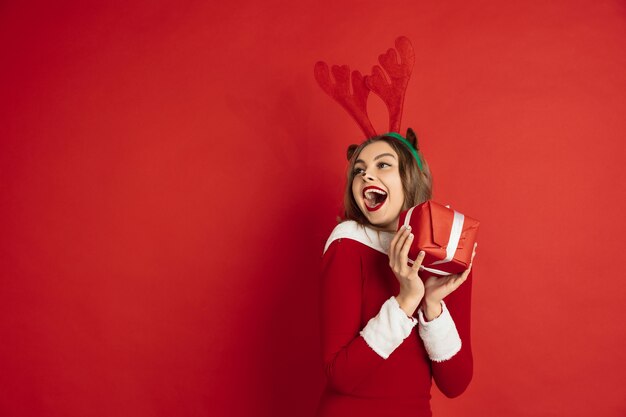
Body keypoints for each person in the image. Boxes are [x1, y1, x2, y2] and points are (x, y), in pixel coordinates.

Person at [315, 129, 477, 417]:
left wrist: (432, 306)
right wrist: (405, 302)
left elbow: (455, 384)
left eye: (383, 164)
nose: (365, 175)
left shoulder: (446, 253)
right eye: (359, 170)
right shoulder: (348, 243)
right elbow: (340, 375)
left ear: (410, 177)